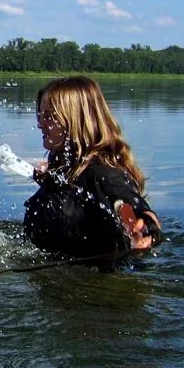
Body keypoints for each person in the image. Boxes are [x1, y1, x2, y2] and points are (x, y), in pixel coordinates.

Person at [24, 76, 162, 264]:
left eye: (49, 116)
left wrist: (144, 228)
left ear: (74, 121)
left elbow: (131, 207)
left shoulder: (102, 173)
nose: (40, 124)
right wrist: (52, 183)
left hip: (98, 284)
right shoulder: (70, 170)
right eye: (40, 116)